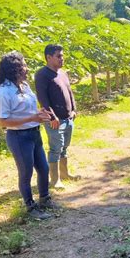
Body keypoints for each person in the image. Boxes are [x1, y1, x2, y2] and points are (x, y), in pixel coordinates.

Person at [0, 51, 58, 220]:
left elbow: (27, 111)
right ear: (14, 68)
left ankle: (45, 199)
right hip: (19, 137)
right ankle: (30, 207)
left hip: (34, 133)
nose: (26, 68)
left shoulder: (24, 86)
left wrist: (39, 113)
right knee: (26, 172)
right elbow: (3, 121)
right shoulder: (3, 92)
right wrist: (32, 117)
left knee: (43, 169)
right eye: (23, 65)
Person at [35, 44, 81, 189]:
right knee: (55, 148)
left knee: (64, 147)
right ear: (48, 57)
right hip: (55, 120)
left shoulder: (63, 73)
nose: (62, 58)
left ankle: (65, 174)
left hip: (68, 118)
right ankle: (55, 180)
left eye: (62, 55)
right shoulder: (42, 75)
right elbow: (42, 98)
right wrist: (52, 117)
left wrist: (73, 110)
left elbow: (69, 92)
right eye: (58, 56)